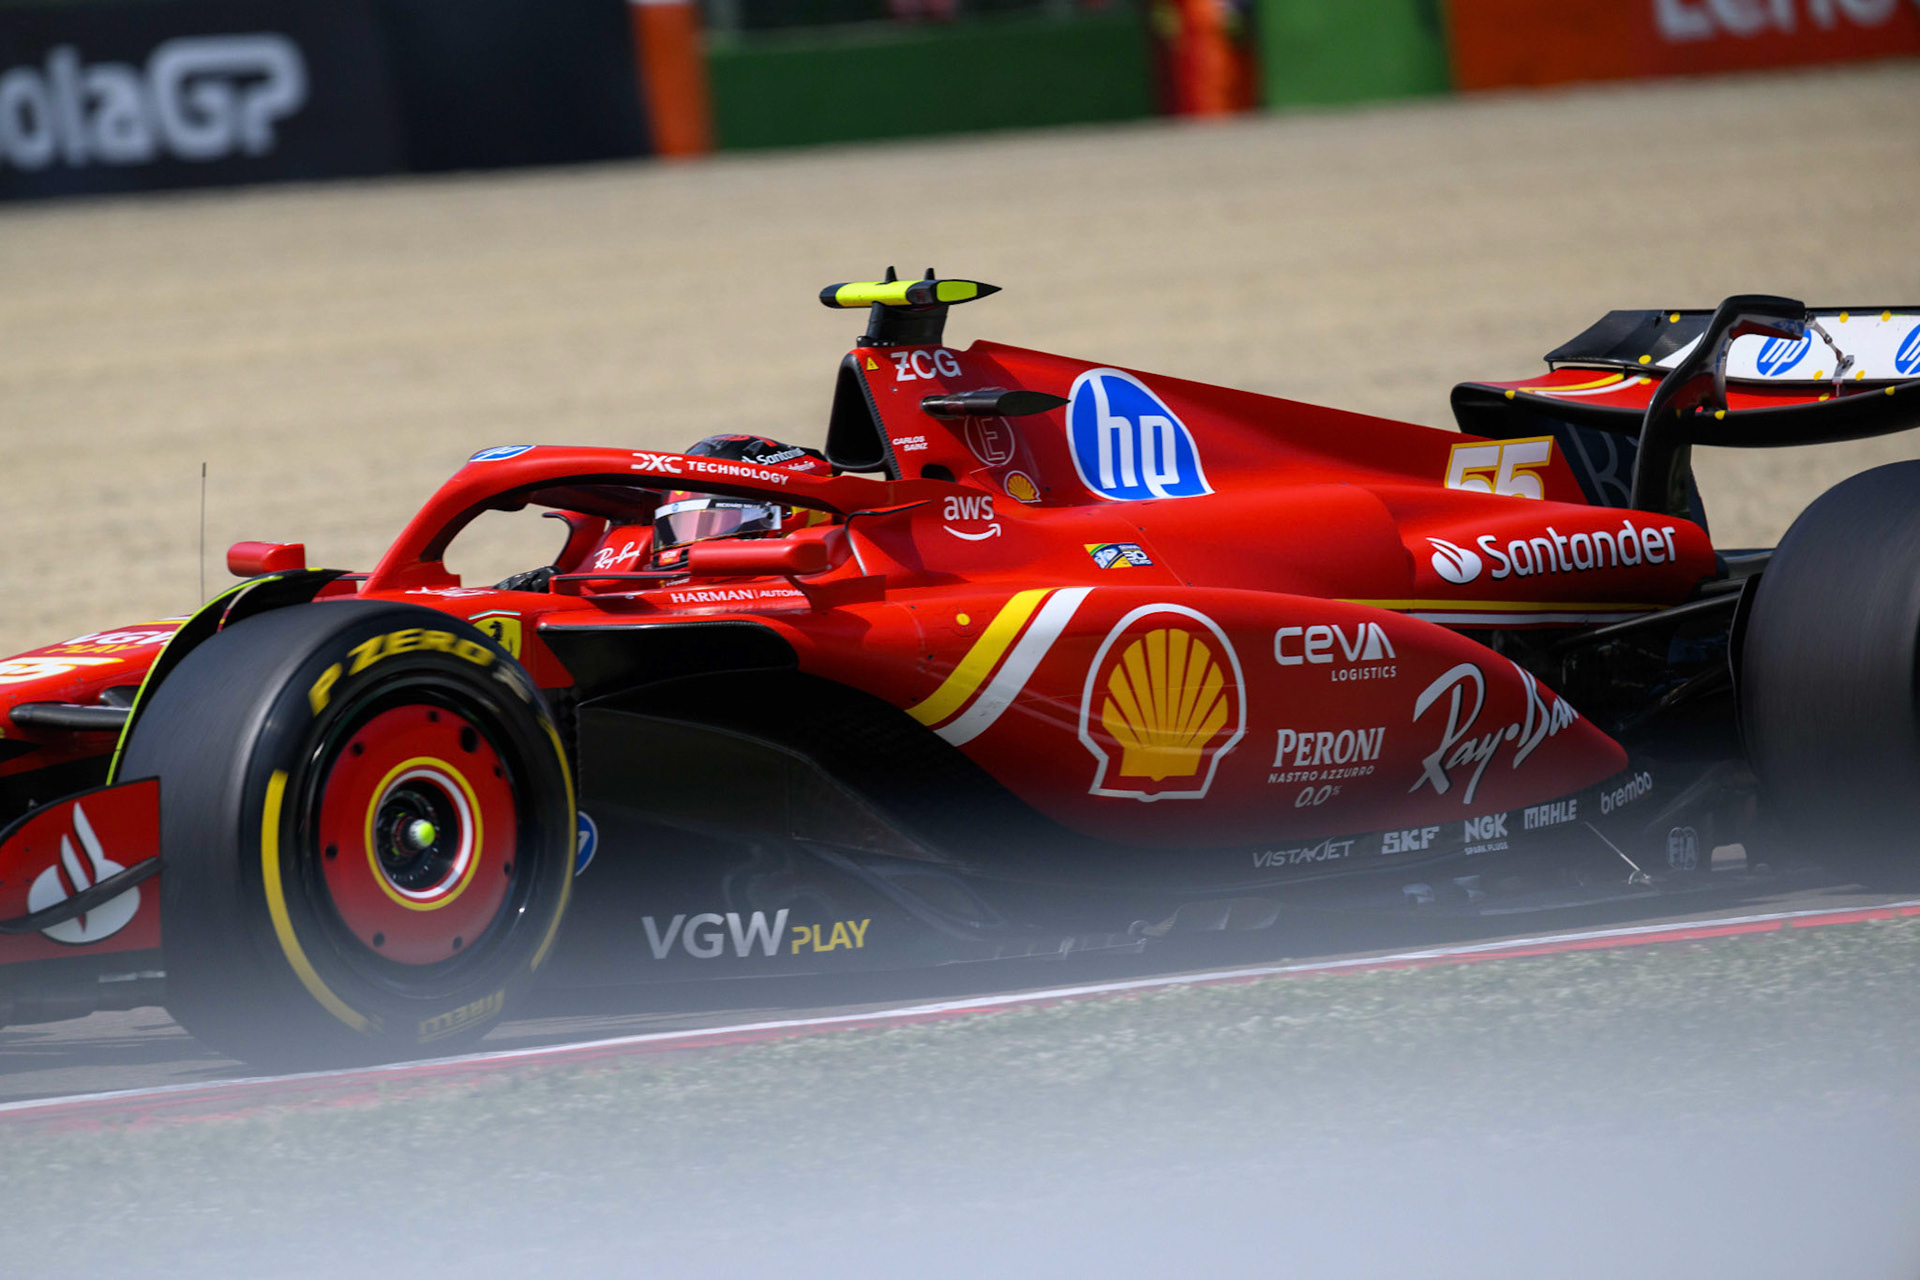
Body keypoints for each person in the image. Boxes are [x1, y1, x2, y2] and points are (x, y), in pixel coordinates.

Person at [494, 434, 830, 591]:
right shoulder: (645, 589)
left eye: (717, 522)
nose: (692, 543)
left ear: (790, 517)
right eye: (680, 525)